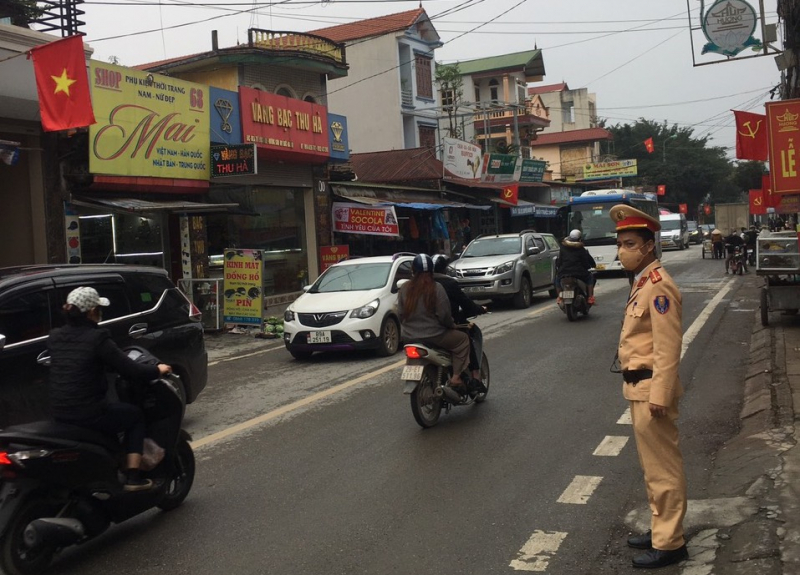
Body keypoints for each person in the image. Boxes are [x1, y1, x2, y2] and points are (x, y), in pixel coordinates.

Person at [610, 205, 688, 569]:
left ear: (648, 246)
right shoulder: (642, 282)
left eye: (629, 243)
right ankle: (661, 530)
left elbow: (669, 345)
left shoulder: (659, 287)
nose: (621, 250)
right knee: (650, 468)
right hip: (637, 389)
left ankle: (670, 543)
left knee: (663, 469)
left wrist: (660, 393)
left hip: (651, 391)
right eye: (620, 243)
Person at [47, 286, 172, 492]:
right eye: (98, 309)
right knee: (134, 416)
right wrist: (158, 370)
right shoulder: (98, 339)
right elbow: (133, 371)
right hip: (89, 413)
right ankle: (133, 476)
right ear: (91, 312)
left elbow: (77, 361)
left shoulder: (55, 337)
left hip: (59, 413)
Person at [398, 254, 471, 391]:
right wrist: (452, 325)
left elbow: (401, 314)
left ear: (413, 271)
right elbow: (444, 315)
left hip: (409, 337)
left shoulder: (404, 289)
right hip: (435, 335)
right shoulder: (436, 288)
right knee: (463, 340)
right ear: (432, 272)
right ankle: (455, 377)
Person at [432, 254, 487, 392]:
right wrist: (479, 309)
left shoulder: (419, 286)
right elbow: (451, 311)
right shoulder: (446, 285)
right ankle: (472, 376)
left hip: (415, 332)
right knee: (465, 338)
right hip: (441, 329)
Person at [555, 229, 597, 306]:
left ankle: (559, 297)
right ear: (579, 238)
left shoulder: (563, 247)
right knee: (590, 277)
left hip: (564, 272)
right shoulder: (581, 249)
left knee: (557, 279)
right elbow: (585, 261)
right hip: (579, 273)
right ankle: (590, 297)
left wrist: (559, 267)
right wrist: (588, 266)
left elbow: (560, 261)